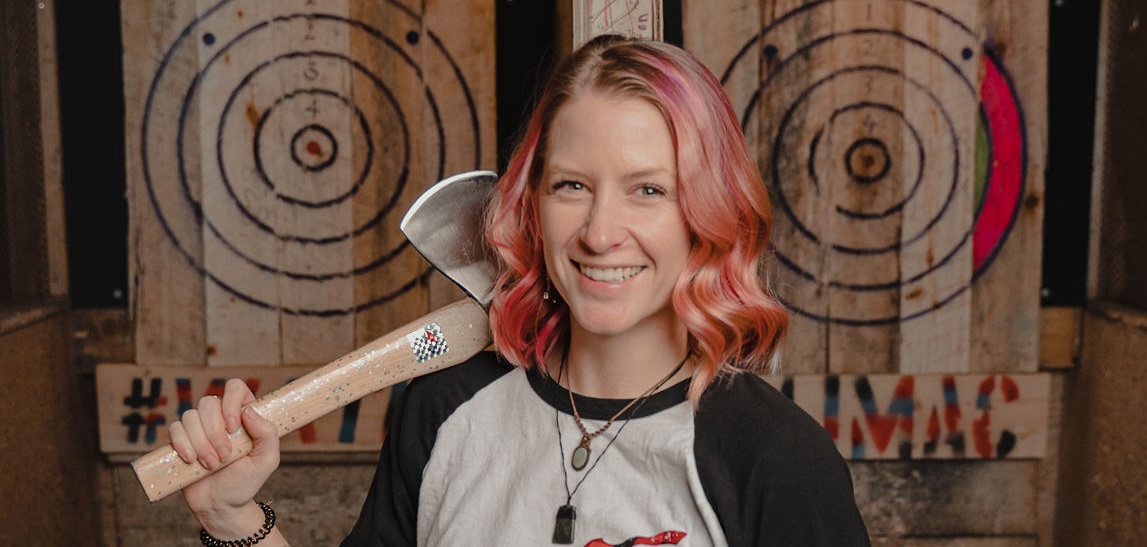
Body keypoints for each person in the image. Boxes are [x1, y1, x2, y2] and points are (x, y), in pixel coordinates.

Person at [169, 34, 871, 547]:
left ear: (707, 213)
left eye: (648, 190)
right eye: (571, 185)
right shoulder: (442, 409)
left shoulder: (775, 459)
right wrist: (232, 519)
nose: (600, 232)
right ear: (530, 203)